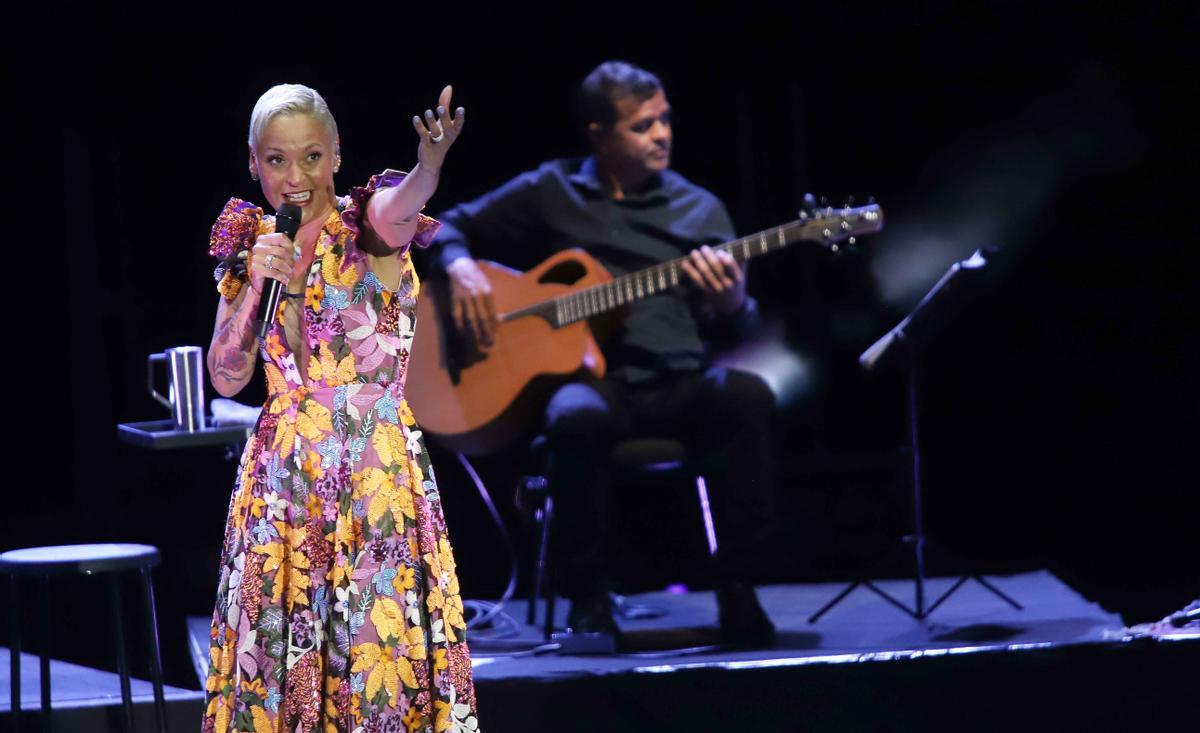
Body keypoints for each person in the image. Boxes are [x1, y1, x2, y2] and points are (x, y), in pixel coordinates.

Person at [425, 61, 777, 648]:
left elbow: (740, 331)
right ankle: (586, 602)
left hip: (680, 381)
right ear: (600, 136)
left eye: (665, 120)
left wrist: (733, 301)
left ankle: (740, 591)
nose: (661, 135)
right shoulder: (552, 190)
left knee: (746, 395)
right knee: (573, 416)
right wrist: (460, 267)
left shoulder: (701, 210)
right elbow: (443, 226)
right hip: (597, 384)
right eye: (642, 126)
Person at [203, 83, 481, 732]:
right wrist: (255, 286)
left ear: (335, 156)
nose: (295, 177)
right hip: (281, 484)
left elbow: (406, 202)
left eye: (311, 157)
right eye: (277, 160)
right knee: (276, 656)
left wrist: (429, 165)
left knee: (375, 656)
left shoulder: (369, 226)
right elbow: (226, 376)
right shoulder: (252, 248)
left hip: (370, 476)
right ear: (253, 163)